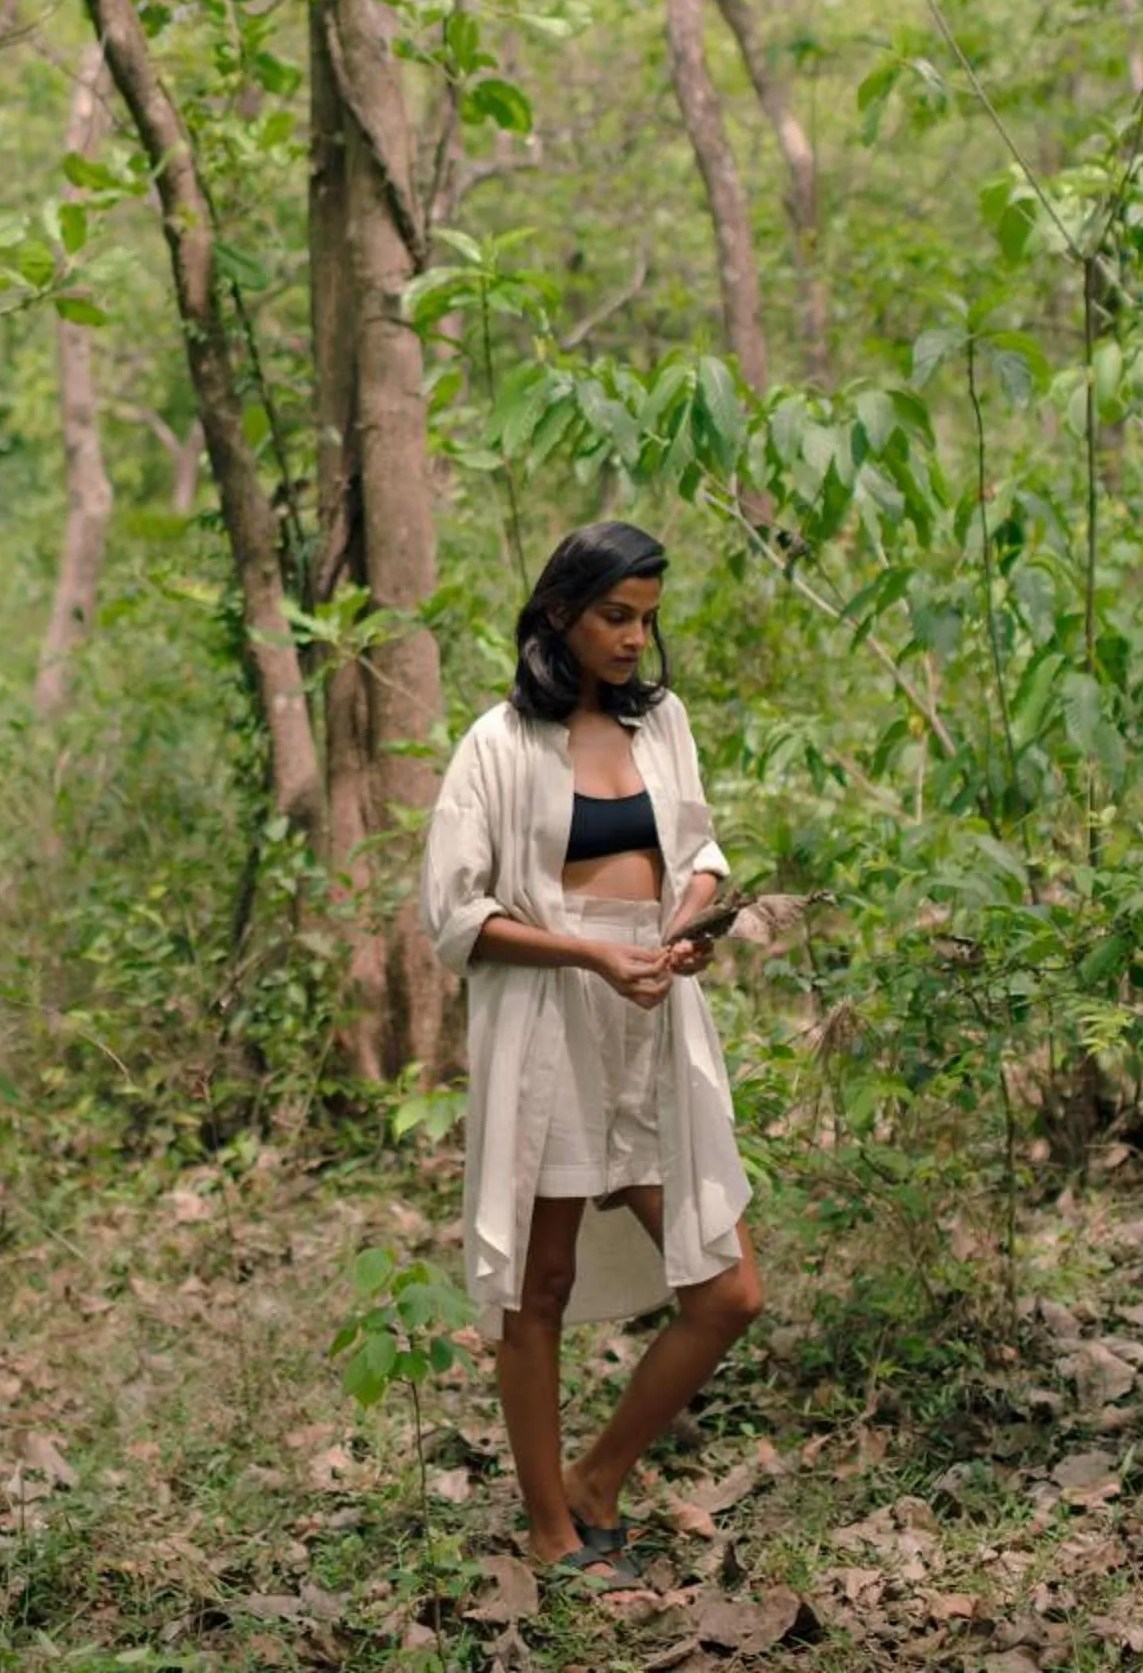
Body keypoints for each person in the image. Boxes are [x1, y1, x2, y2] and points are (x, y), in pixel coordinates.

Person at [419, 520, 763, 1591]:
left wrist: (690, 923)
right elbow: (454, 915)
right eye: (616, 616)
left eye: (646, 620)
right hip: (550, 1018)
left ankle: (600, 1477)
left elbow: (697, 849)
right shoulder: (498, 746)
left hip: (651, 1016)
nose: (632, 639)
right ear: (561, 612)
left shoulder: (661, 725)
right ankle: (548, 1528)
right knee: (540, 1281)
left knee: (728, 1291)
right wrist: (589, 956)